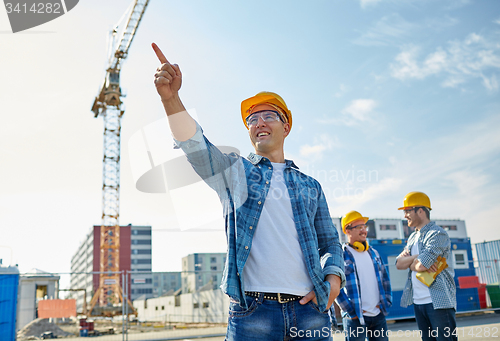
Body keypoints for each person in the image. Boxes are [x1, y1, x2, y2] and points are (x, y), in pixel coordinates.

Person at [151, 43, 345, 341]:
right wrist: (171, 99)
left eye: (268, 115)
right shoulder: (235, 172)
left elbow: (330, 240)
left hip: (309, 312)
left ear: (286, 126)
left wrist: (333, 279)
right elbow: (195, 146)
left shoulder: (311, 186)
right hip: (252, 312)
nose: (259, 123)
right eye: (252, 119)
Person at [395, 192, 457, 341]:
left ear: (421, 211)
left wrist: (413, 262)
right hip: (418, 303)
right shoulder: (412, 237)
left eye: (408, 211)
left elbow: (422, 265)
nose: (405, 215)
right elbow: (398, 264)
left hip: (439, 302)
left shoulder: (437, 234)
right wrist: (417, 258)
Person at [335, 211, 392, 341]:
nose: (363, 230)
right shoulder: (340, 256)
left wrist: (386, 302)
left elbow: (385, 280)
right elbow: (335, 287)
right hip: (355, 319)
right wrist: (350, 311)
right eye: (359, 227)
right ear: (347, 230)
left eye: (364, 226)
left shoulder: (374, 253)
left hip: (378, 316)